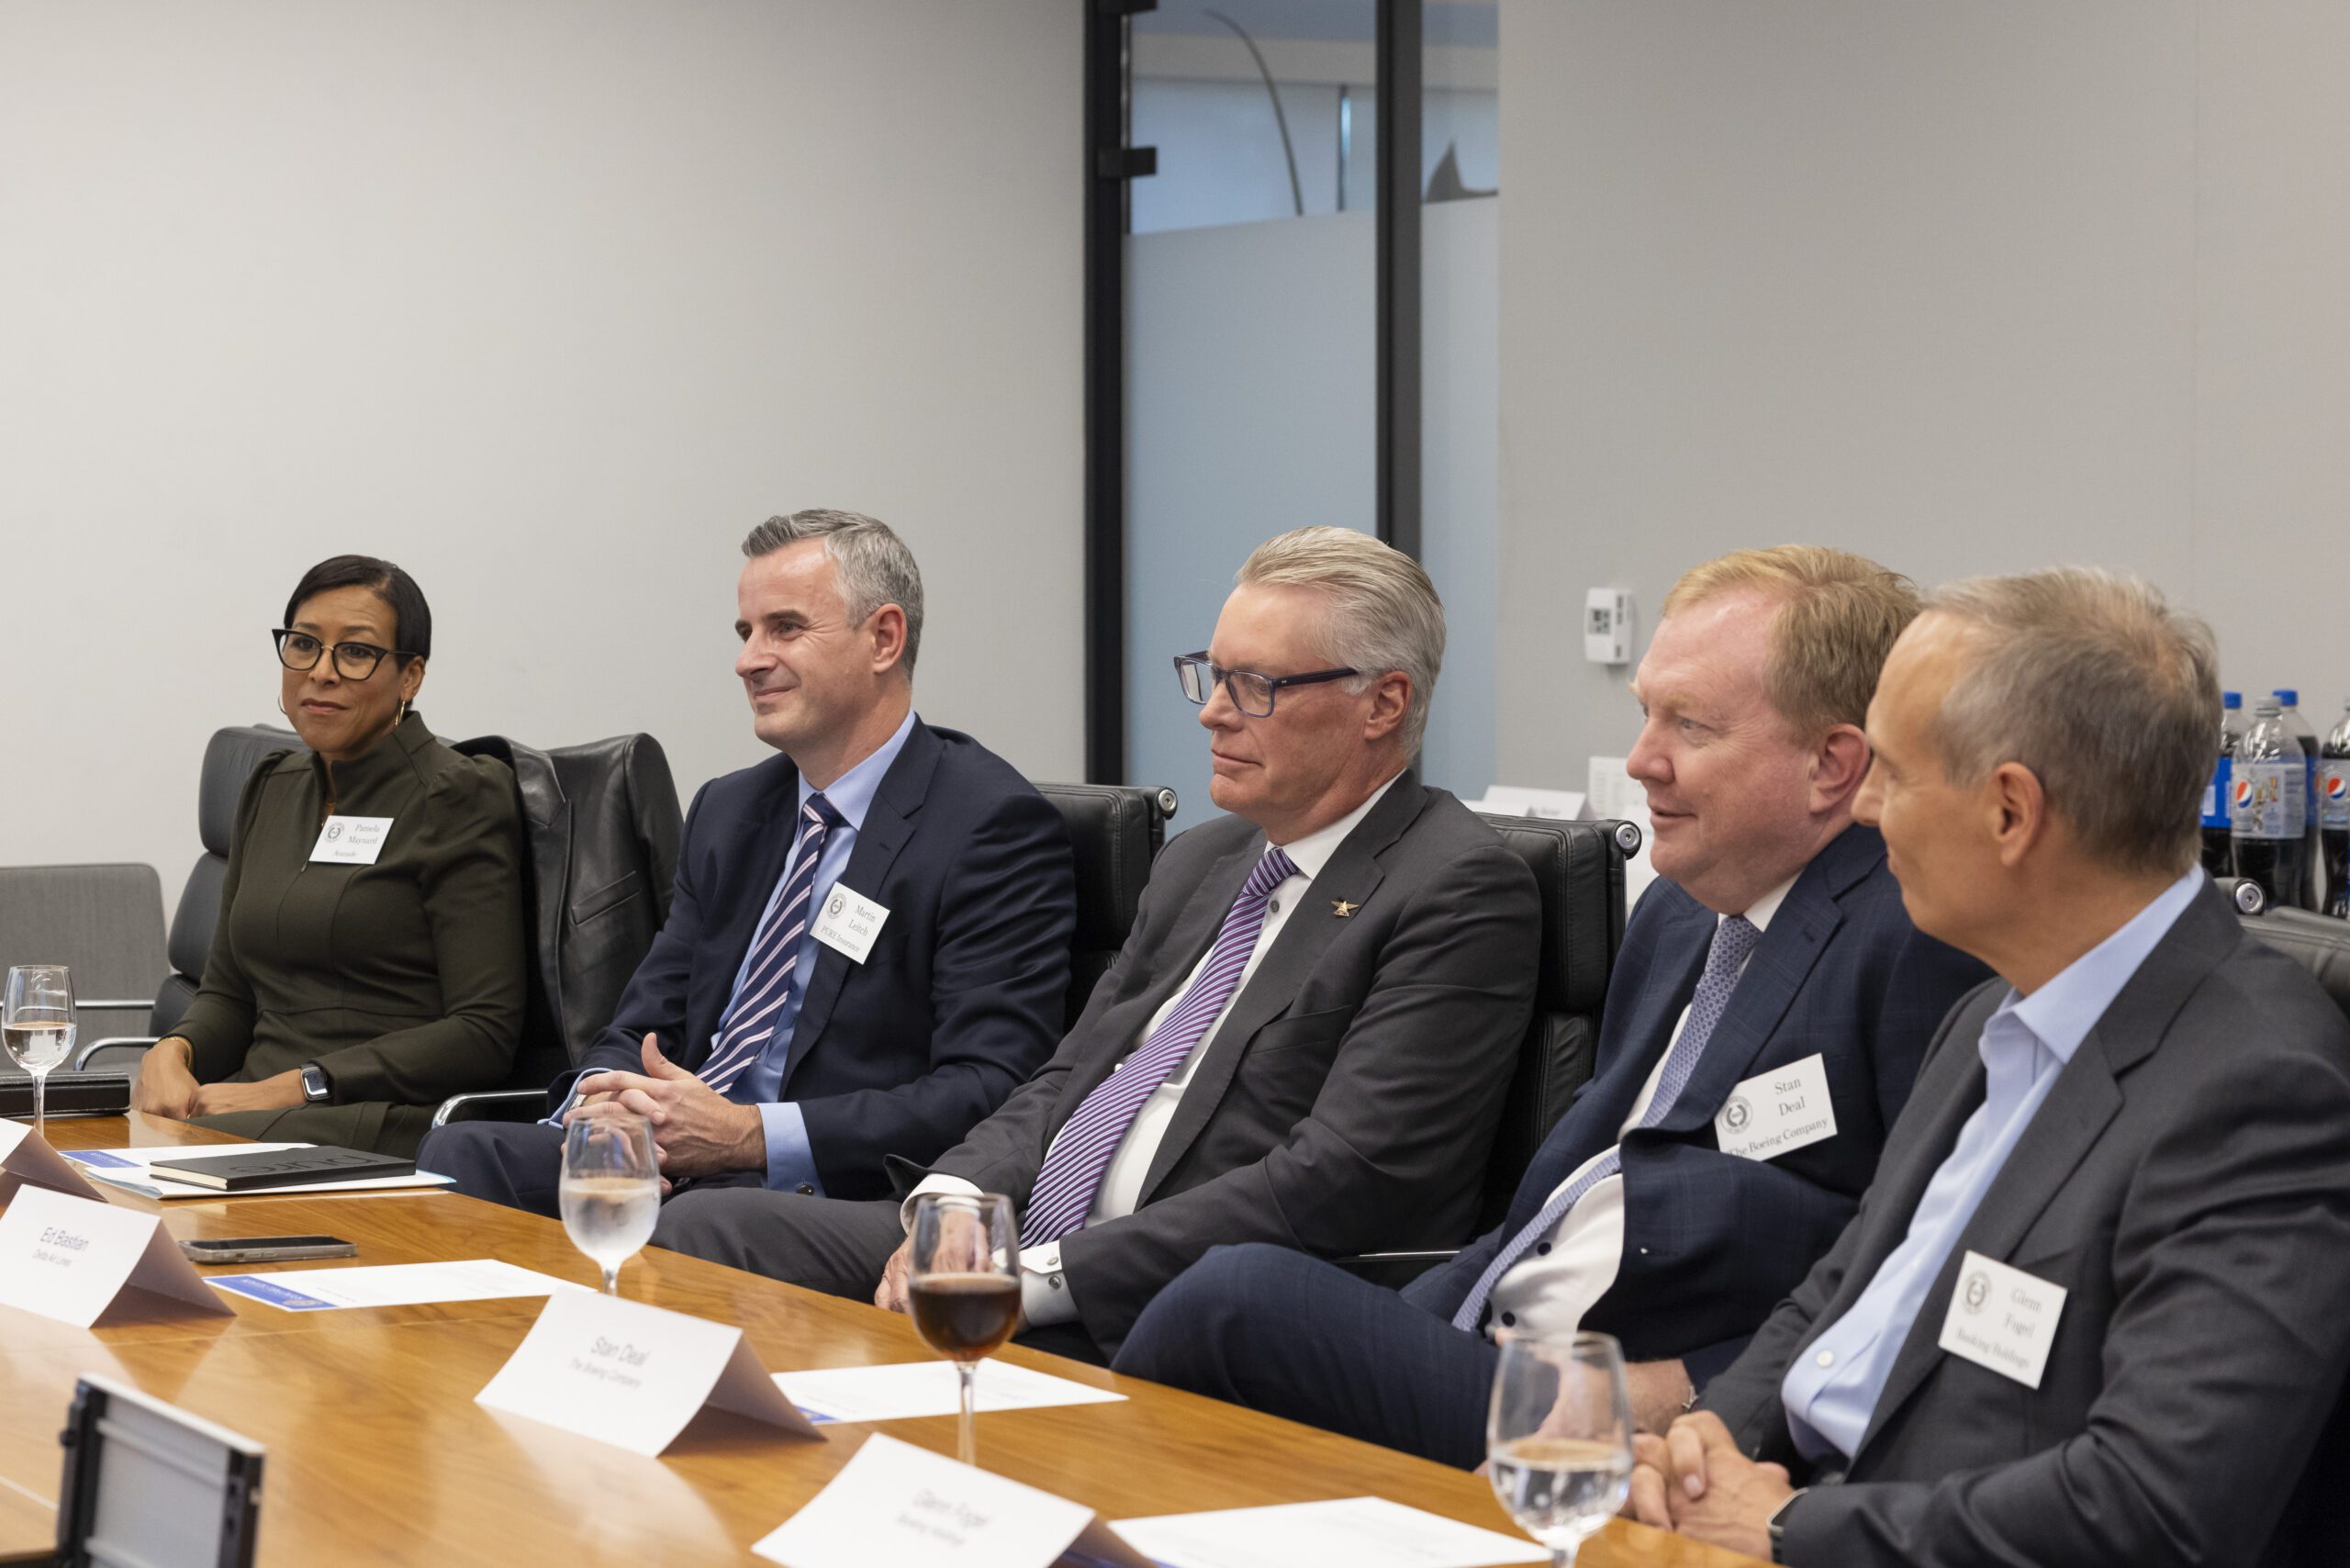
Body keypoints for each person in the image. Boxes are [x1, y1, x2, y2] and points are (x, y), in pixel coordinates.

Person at [1115, 545, 1990, 1460]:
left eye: (1688, 725)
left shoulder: (1912, 936)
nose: (1641, 760)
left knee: (1241, 1300)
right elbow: (1557, 1197)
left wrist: (1691, 1388)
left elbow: (1921, 1265)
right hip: (1499, 1333)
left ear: (1831, 764)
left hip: (1638, 1408)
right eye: (1645, 714)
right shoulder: (1678, 912)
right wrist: (1414, 1323)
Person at [650, 525, 1541, 1362]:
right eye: (1210, 674)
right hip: (1022, 1235)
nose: (1213, 715)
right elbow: (1064, 1080)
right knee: (709, 1229)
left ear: (1381, 702)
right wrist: (951, 1210)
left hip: (1169, 1289)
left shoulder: (1455, 886)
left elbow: (1341, 1175)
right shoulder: (1204, 858)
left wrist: (1033, 1276)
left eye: (1256, 686)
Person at [1629, 568, 2350, 1568]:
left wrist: (1787, 1528)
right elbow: (1840, 1292)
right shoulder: (1987, 1013)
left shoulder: (2258, 1085)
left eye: (1890, 769)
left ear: (2011, 813)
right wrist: (1715, 1433)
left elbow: (2152, 1506)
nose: (1867, 806)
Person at [419, 510, 1075, 1210]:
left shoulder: (988, 824)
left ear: (884, 638)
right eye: (746, 632)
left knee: (706, 1216)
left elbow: (988, 1085)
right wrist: (604, 1107)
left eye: (784, 628)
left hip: (820, 1184)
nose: (748, 659)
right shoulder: (731, 811)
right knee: (461, 1153)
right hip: (678, 1162)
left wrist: (749, 1135)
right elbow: (646, 1021)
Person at [131, 554, 528, 1157]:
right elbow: (230, 993)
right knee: (65, 1148)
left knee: (128, 1171)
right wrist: (173, 1051)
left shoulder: (458, 794)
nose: (321, 672)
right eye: (304, 644)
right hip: (241, 1108)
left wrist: (302, 1085)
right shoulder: (272, 785)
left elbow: (484, 1031)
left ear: (411, 676)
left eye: (356, 651)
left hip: (377, 1117)